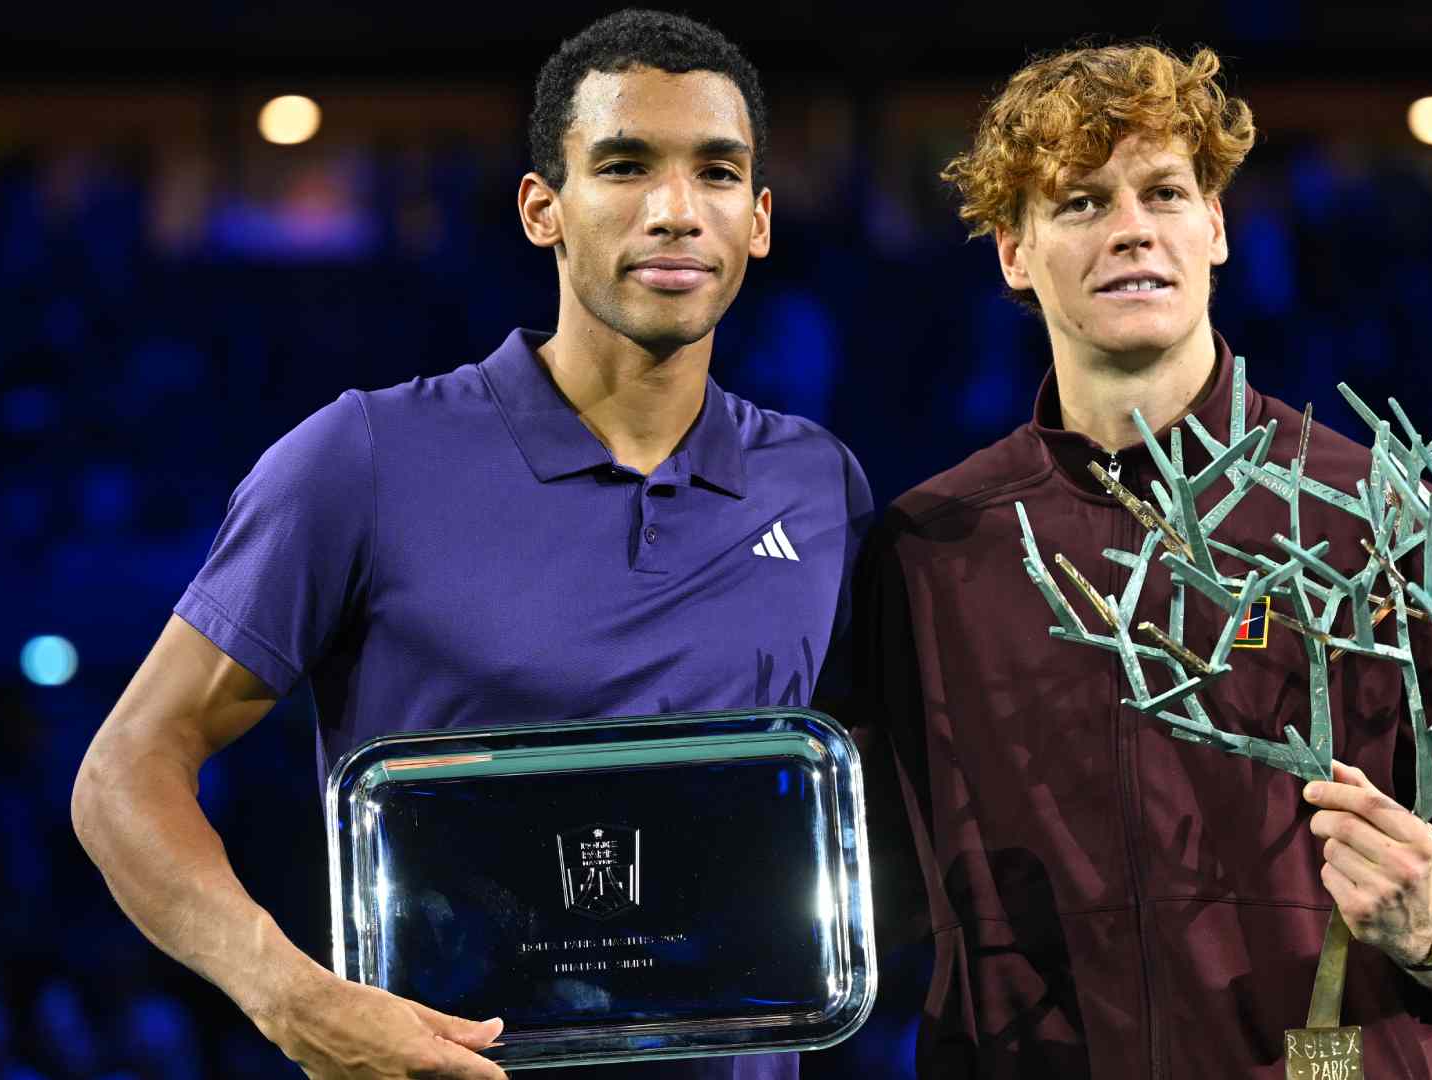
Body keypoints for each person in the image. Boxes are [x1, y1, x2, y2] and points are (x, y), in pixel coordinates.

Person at [70, 11, 869, 1080]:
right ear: (544, 208)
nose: (677, 211)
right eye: (625, 166)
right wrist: (290, 996)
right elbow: (125, 772)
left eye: (717, 174)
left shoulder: (819, 486)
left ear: (760, 219)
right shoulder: (362, 456)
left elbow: (862, 804)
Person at [846, 42, 1432, 1077]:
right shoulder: (933, 550)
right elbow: (872, 889)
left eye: (1165, 192)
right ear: (1011, 250)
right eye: (1081, 203)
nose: (1132, 228)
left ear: (1215, 226)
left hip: (1335, 1064)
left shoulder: (1384, 518)